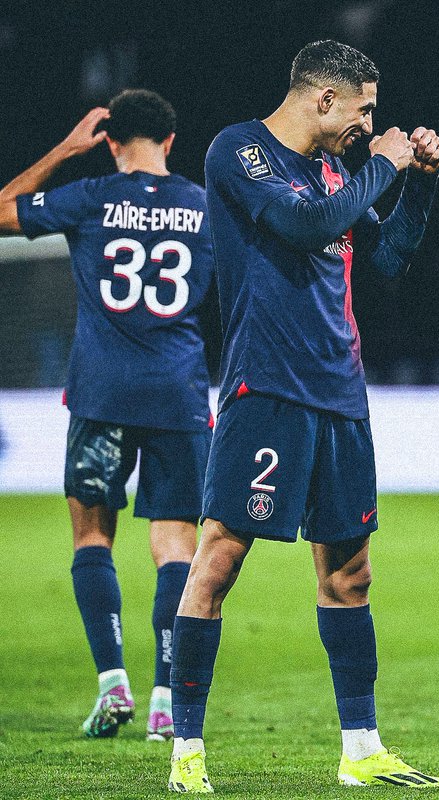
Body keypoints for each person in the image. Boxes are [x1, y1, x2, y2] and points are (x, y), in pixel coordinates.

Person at [165, 40, 439, 793]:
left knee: (350, 575)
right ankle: (186, 753)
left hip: (340, 396)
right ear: (325, 98)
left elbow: (386, 263)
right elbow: (301, 227)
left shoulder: (335, 172)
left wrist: (416, 183)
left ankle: (361, 747)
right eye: (365, 110)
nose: (370, 124)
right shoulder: (240, 151)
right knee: (219, 559)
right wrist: (385, 164)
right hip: (268, 390)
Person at [0, 90, 214, 742]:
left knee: (93, 538)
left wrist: (67, 148)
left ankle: (112, 685)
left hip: (101, 394)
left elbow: (1, 212)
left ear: (111, 139)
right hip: (178, 392)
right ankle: (162, 700)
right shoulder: (205, 207)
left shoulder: (91, 196)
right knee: (175, 547)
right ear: (172, 141)